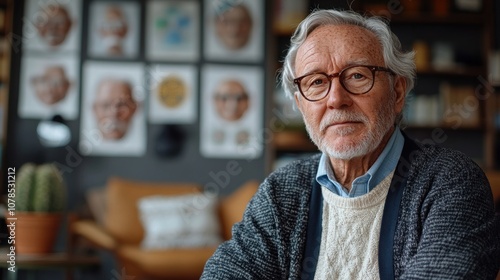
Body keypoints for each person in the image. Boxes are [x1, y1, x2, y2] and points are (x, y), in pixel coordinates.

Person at [202, 9, 500, 279]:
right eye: (316, 82)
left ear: (397, 93)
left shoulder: (451, 182)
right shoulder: (282, 191)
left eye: (357, 76)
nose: (335, 100)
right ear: (299, 104)